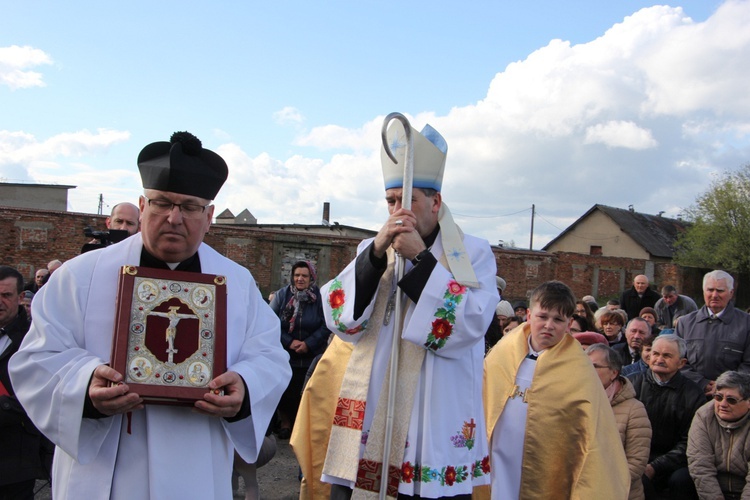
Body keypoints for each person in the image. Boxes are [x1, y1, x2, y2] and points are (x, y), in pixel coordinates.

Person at [9, 131, 291, 499]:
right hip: (108, 468)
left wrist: (246, 387)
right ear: (142, 207)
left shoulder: (236, 284)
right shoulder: (80, 276)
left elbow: (270, 356)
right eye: (161, 203)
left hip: (197, 463)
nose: (174, 218)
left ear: (208, 217)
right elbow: (34, 360)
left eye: (189, 207)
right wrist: (85, 386)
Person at [299, 116, 498, 499]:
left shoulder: (473, 253)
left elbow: (470, 324)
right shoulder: (371, 247)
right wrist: (376, 255)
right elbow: (340, 318)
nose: (397, 212)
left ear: (436, 203)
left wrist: (422, 261)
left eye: (408, 202)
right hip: (374, 402)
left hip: (435, 413)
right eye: (391, 202)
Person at [484, 281, 629, 498]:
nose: (549, 325)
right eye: (542, 317)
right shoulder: (503, 351)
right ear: (529, 316)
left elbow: (594, 434)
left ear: (569, 323)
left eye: (558, 320)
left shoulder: (579, 370)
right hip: (497, 459)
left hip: (547, 470)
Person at [627, 334, 705, 499]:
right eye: (655, 354)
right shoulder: (631, 385)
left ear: (681, 363)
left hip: (675, 462)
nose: (659, 359)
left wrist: (656, 466)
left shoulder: (693, 394)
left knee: (682, 480)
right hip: (635, 456)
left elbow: (691, 441)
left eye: (667, 355)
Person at [0, 266, 52, 498]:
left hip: (15, 459)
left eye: (6, 295)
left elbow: (40, 393)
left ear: (21, 297)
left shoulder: (36, 339)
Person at [269, 260, 328, 439]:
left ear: (312, 278)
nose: (300, 279)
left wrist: (308, 343)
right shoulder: (282, 295)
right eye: (297, 275)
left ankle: (302, 426)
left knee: (307, 392)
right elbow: (270, 323)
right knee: (285, 391)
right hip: (286, 354)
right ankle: (286, 423)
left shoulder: (321, 298)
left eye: (304, 275)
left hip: (312, 355)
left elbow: (327, 324)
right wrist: (289, 342)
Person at [586, 344, 652, 500]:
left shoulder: (634, 410)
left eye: (594, 366)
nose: (587, 370)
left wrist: (597, 485)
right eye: (585, 365)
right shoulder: (575, 403)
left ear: (613, 373)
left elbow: (636, 463)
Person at [675, 270, 750, 398]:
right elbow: (676, 361)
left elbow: (748, 365)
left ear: (731, 293)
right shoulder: (685, 323)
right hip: (690, 396)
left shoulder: (746, 323)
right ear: (704, 292)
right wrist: (701, 383)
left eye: (720, 290)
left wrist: (724, 385)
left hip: (732, 399)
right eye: (710, 290)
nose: (714, 295)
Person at [687, 371, 750, 500]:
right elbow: (700, 465)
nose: (723, 404)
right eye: (718, 397)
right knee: (680, 479)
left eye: (731, 400)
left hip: (744, 488)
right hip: (714, 486)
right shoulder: (704, 415)